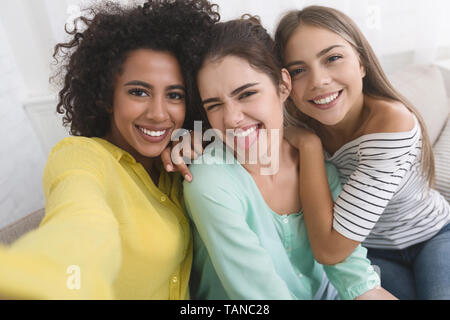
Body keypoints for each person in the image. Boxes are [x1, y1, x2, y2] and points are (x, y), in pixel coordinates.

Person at [0, 0, 219, 299]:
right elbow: (81, 224)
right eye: (138, 92)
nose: (158, 113)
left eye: (174, 95)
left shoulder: (180, 165)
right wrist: (50, 277)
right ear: (106, 96)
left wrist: (206, 144)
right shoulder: (80, 157)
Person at [181, 16, 396, 300]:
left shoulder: (320, 166)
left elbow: (355, 277)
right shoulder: (209, 181)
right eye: (215, 105)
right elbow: (260, 293)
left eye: (246, 94)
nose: (232, 118)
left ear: (283, 86)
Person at [274, 5, 450, 300]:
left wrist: (310, 147)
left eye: (332, 58)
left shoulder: (392, 123)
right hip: (371, 250)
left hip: (432, 235)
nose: (318, 81)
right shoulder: (293, 122)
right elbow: (227, 127)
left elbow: (330, 248)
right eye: (299, 70)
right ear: (285, 83)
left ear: (362, 63)